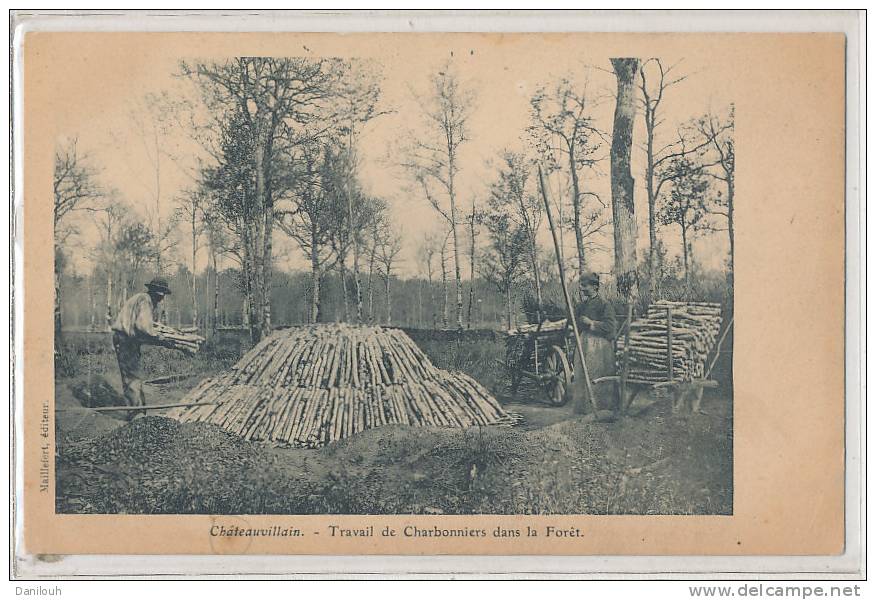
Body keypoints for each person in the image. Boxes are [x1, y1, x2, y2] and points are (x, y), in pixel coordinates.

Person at [110, 277, 172, 418]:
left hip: (127, 339)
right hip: (125, 339)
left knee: (133, 374)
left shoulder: (141, 298)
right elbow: (143, 327)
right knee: (132, 376)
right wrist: (158, 337)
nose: (161, 300)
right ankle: (136, 413)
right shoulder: (145, 301)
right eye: (161, 296)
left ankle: (140, 410)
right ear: (157, 293)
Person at [571, 271, 618, 414]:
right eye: (581, 285)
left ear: (595, 287)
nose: (582, 288)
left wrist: (592, 323)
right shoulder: (581, 305)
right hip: (584, 343)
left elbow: (610, 326)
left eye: (585, 285)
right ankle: (585, 407)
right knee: (582, 374)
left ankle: (602, 407)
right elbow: (573, 321)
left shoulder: (604, 305)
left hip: (600, 346)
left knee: (597, 374)